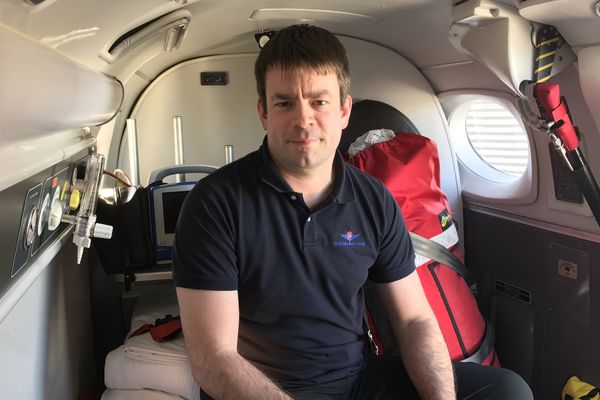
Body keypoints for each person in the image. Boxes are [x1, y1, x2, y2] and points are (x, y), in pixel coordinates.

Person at [173, 24, 533, 400]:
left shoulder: (373, 200)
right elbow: (212, 358)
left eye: (319, 102)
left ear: (344, 111)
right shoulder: (214, 203)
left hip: (357, 382)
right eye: (284, 103)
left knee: (506, 389)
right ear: (264, 113)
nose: (303, 119)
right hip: (264, 388)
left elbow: (414, 319)